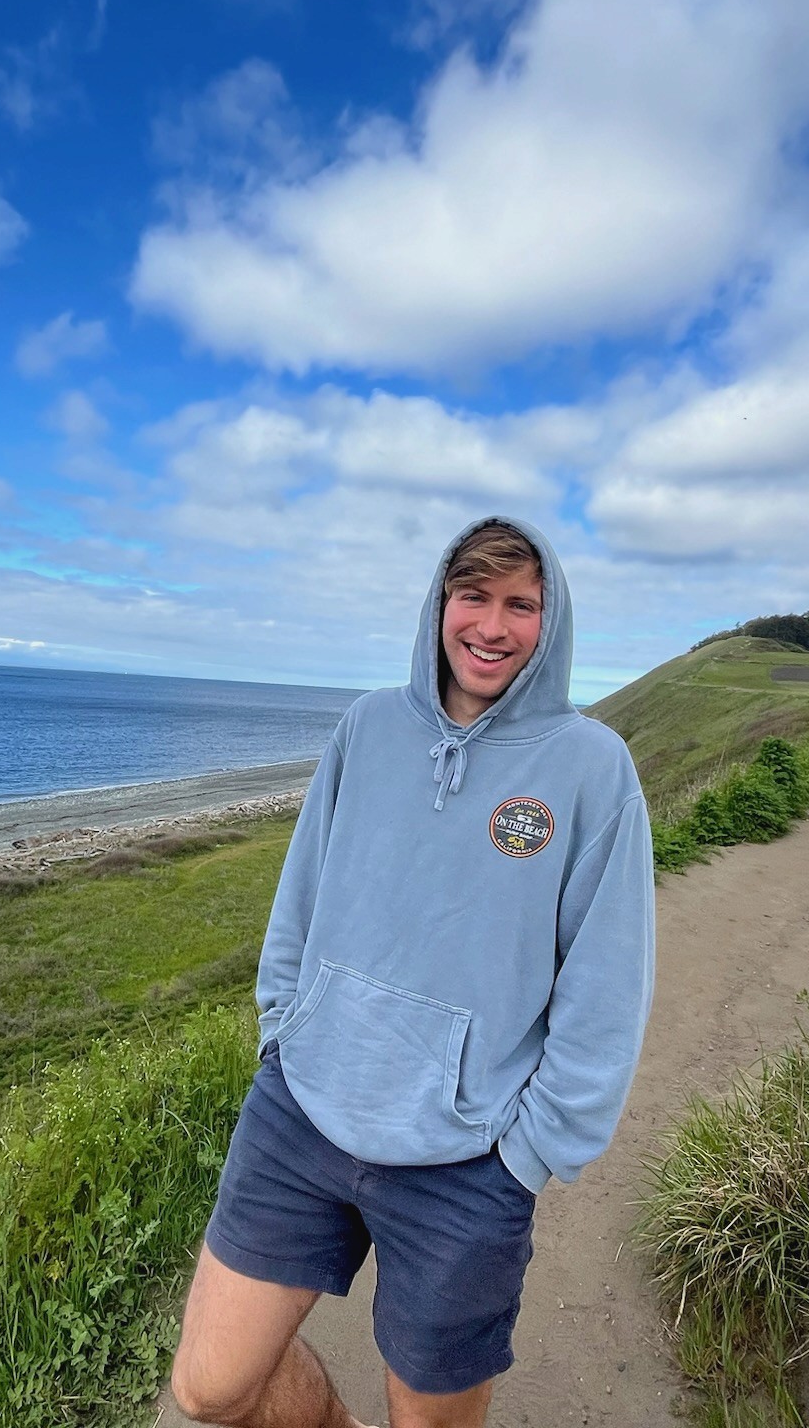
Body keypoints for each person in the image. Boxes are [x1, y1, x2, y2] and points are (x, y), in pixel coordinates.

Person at [168, 516, 656, 1428]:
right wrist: (285, 1029)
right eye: (473, 596)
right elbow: (299, 898)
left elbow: (607, 982)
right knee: (213, 1386)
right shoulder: (368, 727)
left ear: (550, 624)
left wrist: (532, 1152)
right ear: (441, 603)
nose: (492, 625)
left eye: (522, 604)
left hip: (469, 1164)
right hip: (302, 1113)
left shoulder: (593, 769)